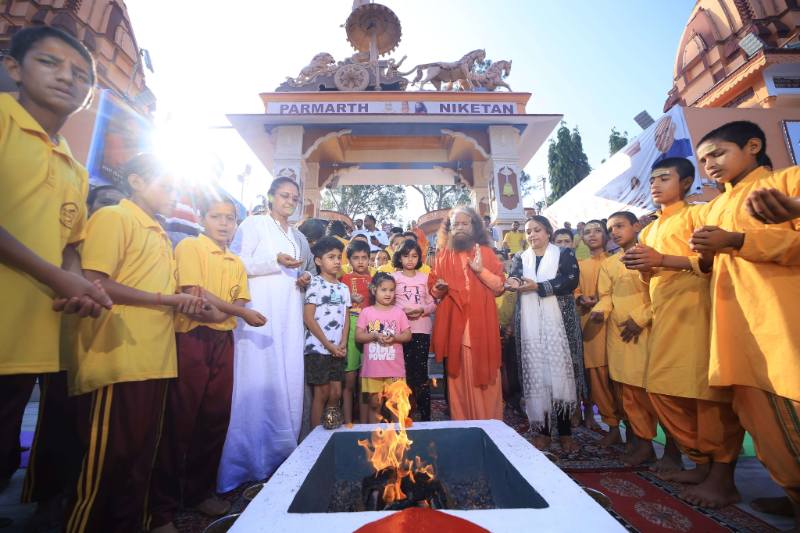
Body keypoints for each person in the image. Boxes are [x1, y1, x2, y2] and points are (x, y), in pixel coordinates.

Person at [65, 154, 207, 533]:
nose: (173, 194)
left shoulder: (160, 233)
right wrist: (166, 299)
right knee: (107, 461)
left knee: (142, 457)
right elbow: (95, 282)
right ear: (136, 182)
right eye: (166, 186)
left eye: (176, 188)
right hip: (117, 356)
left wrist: (185, 300)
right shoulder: (115, 217)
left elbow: (162, 290)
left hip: (156, 358)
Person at [0, 27, 111, 505]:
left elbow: (70, 244)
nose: (67, 78)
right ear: (13, 67)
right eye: (49, 62)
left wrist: (79, 285)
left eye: (81, 75)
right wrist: (59, 277)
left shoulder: (73, 166)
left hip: (27, 338)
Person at [684, 121, 799, 523]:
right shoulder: (712, 207)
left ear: (753, 145)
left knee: (791, 410)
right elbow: (705, 266)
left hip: (781, 320)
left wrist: (737, 241)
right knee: (760, 422)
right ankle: (792, 493)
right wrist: (705, 253)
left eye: (718, 153)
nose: (710, 165)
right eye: (703, 161)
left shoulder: (787, 181)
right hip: (733, 326)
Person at [622, 157, 744, 508]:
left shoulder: (698, 214)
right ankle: (702, 463)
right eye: (652, 180)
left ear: (687, 182)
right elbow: (649, 275)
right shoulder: (649, 230)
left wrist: (662, 260)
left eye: (664, 178)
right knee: (662, 390)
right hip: (664, 315)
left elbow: (711, 261)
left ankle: (723, 478)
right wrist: (644, 265)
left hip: (697, 311)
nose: (655, 185)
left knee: (705, 396)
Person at [148, 196, 266, 533]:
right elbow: (196, 295)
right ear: (202, 218)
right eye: (216, 216)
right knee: (179, 421)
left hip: (223, 341)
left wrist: (224, 311)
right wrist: (235, 312)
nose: (224, 223)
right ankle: (160, 510)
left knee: (214, 418)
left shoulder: (235, 261)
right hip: (192, 337)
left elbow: (235, 299)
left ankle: (199, 492)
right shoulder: (190, 247)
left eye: (230, 218)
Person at [218, 177, 314, 492]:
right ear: (271, 196)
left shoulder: (295, 235)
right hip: (259, 312)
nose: (290, 201)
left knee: (286, 378)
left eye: (294, 198)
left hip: (288, 314)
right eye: (284, 195)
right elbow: (236, 262)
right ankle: (246, 462)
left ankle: (279, 456)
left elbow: (298, 271)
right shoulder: (254, 224)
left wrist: (302, 277)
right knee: (257, 378)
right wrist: (273, 261)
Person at [506, 216, 582, 453]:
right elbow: (516, 275)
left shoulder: (564, 254)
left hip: (559, 324)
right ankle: (544, 432)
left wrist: (538, 287)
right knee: (537, 373)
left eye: (537, 230)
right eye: (528, 231)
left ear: (548, 232)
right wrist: (512, 282)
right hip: (530, 325)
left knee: (561, 374)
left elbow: (569, 281)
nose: (532, 235)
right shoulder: (521, 257)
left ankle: (566, 433)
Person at [590, 211, 656, 467]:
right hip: (619, 333)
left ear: (636, 226)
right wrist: (599, 311)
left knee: (651, 392)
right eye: (611, 229)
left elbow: (661, 292)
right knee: (626, 393)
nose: (614, 232)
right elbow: (606, 296)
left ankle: (666, 448)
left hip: (647, 330)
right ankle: (643, 444)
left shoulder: (651, 255)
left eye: (620, 226)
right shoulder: (610, 263)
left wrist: (640, 318)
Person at [428, 206, 505, 420]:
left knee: (487, 378)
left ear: (474, 226)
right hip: (456, 329)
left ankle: (491, 425)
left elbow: (499, 287)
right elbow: (433, 289)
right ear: (450, 229)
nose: (460, 228)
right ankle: (463, 425)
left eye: (465, 223)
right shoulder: (442, 256)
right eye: (456, 224)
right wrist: (439, 289)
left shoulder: (486, 253)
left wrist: (481, 271)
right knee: (457, 379)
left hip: (482, 327)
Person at [575, 221, 621, 444]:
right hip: (591, 325)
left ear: (606, 235)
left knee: (621, 380)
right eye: (587, 232)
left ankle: (635, 431)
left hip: (616, 324)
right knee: (598, 377)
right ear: (582, 238)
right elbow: (573, 290)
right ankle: (612, 425)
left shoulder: (619, 260)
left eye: (597, 231)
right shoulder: (579, 265)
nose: (592, 235)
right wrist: (580, 298)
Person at [303, 237, 351, 429]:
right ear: (318, 261)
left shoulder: (344, 288)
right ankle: (314, 438)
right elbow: (308, 318)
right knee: (321, 394)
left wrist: (343, 343)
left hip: (337, 350)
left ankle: (330, 430)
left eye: (339, 257)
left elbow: (346, 318)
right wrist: (328, 345)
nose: (337, 261)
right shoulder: (314, 284)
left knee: (336, 393)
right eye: (331, 257)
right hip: (318, 349)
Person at [355, 273, 412, 423]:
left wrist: (395, 337)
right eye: (384, 290)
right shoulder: (366, 312)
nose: (388, 294)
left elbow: (407, 335)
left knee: (396, 405)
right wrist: (374, 335)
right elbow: (358, 336)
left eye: (391, 290)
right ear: (374, 290)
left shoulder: (399, 312)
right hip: (373, 370)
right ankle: (375, 434)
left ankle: (398, 435)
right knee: (374, 405)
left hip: (395, 370)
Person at [392, 240, 436, 421]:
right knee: (402, 373)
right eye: (406, 255)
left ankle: (425, 415)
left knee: (420, 373)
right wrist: (401, 313)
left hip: (421, 330)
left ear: (419, 258)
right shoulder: (393, 277)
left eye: (414, 256)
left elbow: (433, 303)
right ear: (399, 257)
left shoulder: (425, 277)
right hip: (400, 331)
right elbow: (387, 301)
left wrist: (422, 310)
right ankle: (404, 413)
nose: (410, 260)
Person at [340, 239, 372, 424]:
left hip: (370, 327)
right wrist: (349, 297)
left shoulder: (375, 279)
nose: (360, 261)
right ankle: (348, 422)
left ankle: (365, 423)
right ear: (349, 260)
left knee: (365, 381)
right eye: (356, 258)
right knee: (349, 380)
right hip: (351, 325)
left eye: (364, 257)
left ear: (369, 259)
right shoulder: (344, 279)